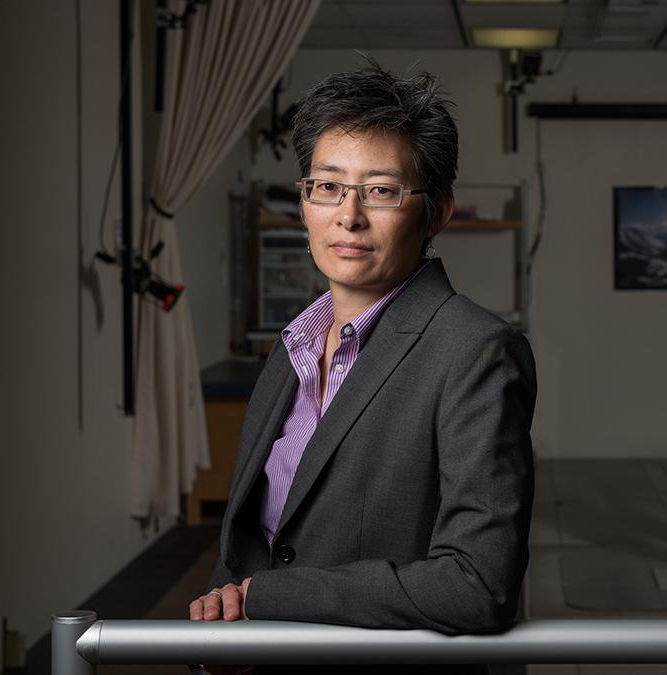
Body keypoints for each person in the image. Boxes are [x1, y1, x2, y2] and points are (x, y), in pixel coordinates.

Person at [188, 63, 537, 669]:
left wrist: (270, 601)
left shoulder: (475, 350)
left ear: (437, 211)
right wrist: (223, 631)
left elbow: (478, 584)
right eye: (326, 186)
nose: (348, 217)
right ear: (303, 202)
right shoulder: (292, 345)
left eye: (381, 190)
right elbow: (250, 545)